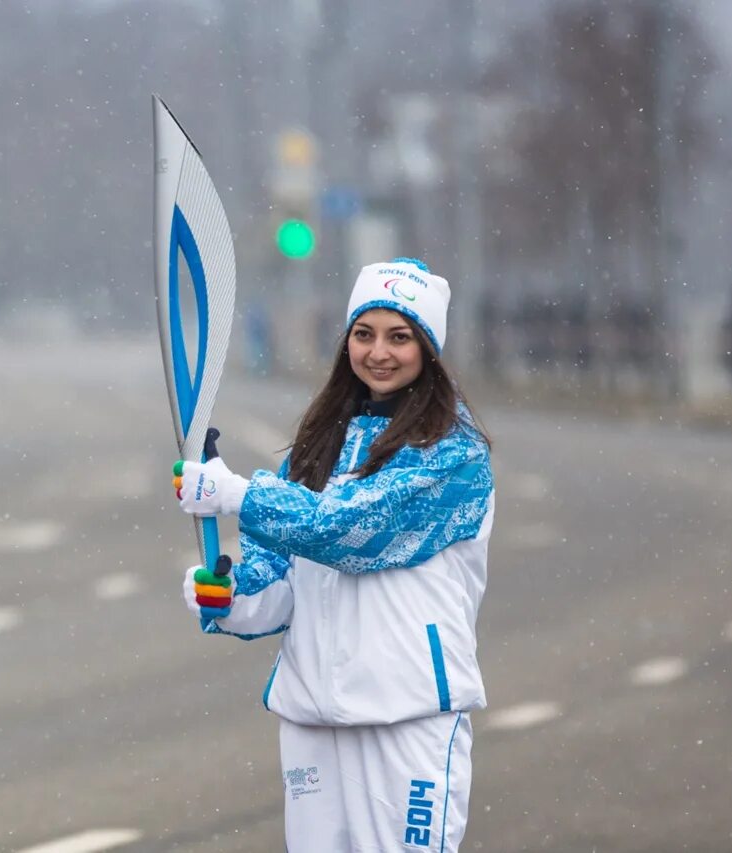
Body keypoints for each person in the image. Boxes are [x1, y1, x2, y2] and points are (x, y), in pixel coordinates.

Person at [171, 257, 494, 852]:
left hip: (408, 713)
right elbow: (283, 580)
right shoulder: (321, 444)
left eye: (400, 337)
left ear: (428, 347)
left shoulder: (454, 452)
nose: (379, 352)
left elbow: (352, 533)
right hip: (312, 717)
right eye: (364, 334)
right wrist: (230, 596)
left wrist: (238, 494)